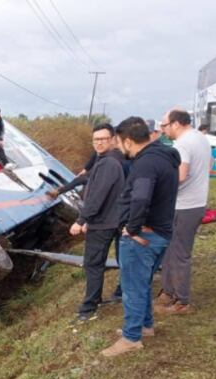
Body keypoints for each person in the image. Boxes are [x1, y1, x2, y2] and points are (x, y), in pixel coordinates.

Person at [101, 117, 180, 357]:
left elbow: (141, 198)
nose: (117, 148)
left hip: (145, 236)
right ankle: (145, 326)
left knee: (133, 286)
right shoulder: (164, 156)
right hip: (162, 231)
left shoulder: (146, 164)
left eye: (118, 143)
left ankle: (131, 338)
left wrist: (132, 229)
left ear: (127, 141)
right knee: (142, 282)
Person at [154, 110, 212, 314]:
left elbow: (180, 175)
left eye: (164, 125)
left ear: (176, 123)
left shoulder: (182, 144)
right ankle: (168, 292)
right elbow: (209, 166)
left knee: (179, 253)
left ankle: (181, 301)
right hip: (195, 203)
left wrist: (158, 191)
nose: (162, 129)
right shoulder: (200, 138)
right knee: (171, 250)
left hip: (183, 205)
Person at [68, 124, 125, 323]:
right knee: (110, 262)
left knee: (93, 264)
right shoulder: (108, 160)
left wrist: (82, 219)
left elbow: (97, 196)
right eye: (96, 140)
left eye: (103, 139)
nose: (99, 143)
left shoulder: (108, 163)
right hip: (110, 219)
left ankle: (89, 308)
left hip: (104, 222)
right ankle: (112, 295)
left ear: (112, 140)